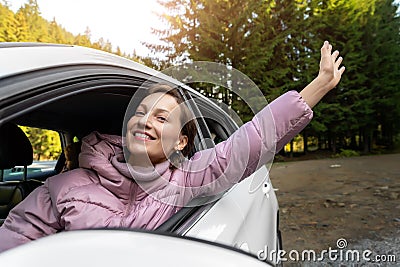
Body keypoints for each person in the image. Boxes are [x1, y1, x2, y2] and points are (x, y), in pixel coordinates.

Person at [0, 41, 345, 252]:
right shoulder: (60, 188)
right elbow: (14, 241)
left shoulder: (186, 181)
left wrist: (318, 86)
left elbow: (248, 142)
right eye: (140, 112)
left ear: (182, 141)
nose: (146, 119)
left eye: (162, 118)